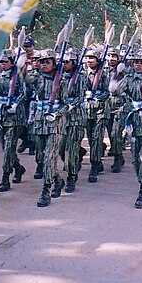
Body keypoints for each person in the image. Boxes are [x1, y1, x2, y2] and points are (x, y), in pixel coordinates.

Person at [111, 49, 142, 208]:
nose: (138, 65)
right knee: (135, 158)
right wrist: (117, 75)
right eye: (136, 62)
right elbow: (116, 92)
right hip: (133, 122)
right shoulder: (128, 78)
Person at [28, 49, 67, 207]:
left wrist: (56, 114)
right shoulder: (36, 78)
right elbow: (25, 79)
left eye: (47, 62)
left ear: (54, 64)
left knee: (50, 157)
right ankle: (57, 179)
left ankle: (46, 190)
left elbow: (66, 104)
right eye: (42, 62)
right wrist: (24, 64)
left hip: (55, 124)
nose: (44, 64)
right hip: (39, 121)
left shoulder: (62, 80)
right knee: (42, 158)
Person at [0, 49, 27, 193]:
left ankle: (5, 176)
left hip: (15, 117)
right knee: (6, 148)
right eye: (1, 62)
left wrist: (15, 104)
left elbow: (24, 93)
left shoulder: (18, 76)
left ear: (12, 62)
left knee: (8, 147)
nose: (2, 64)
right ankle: (19, 168)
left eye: (5, 62)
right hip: (1, 116)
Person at [60, 48, 88, 193]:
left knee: (70, 149)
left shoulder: (81, 77)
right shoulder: (58, 76)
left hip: (76, 118)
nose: (64, 64)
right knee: (60, 149)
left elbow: (81, 95)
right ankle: (79, 154)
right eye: (63, 62)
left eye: (67, 62)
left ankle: (71, 176)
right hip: (61, 119)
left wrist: (70, 105)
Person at [83, 48, 109, 183]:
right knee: (90, 138)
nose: (89, 61)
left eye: (92, 58)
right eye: (87, 58)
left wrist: (98, 98)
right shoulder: (82, 74)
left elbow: (107, 92)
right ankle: (98, 161)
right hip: (88, 111)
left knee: (96, 138)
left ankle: (94, 164)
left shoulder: (103, 75)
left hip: (100, 110)